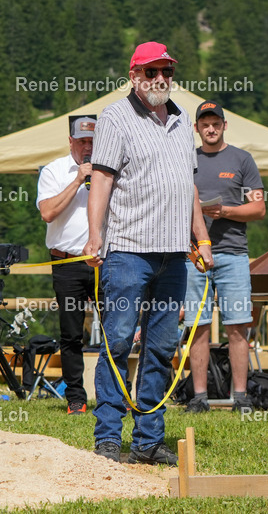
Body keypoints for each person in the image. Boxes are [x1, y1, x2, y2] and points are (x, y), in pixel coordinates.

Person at [83, 41, 213, 466]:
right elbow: (101, 179)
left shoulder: (181, 121)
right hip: (128, 252)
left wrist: (202, 239)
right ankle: (108, 437)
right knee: (118, 342)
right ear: (134, 76)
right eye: (151, 71)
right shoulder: (115, 117)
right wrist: (93, 236)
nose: (161, 79)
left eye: (167, 72)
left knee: (160, 347)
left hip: (174, 255)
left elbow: (188, 187)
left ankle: (148, 441)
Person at [182, 100, 265, 413]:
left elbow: (259, 207)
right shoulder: (187, 159)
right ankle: (199, 397)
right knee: (198, 326)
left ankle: (240, 397)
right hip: (193, 256)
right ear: (197, 128)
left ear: (224, 125)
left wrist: (225, 211)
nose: (211, 129)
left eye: (216, 123)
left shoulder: (242, 159)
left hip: (233, 253)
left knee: (237, 327)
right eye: (205, 124)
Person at [37, 115, 97, 414]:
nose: (87, 146)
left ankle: (116, 395)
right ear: (70, 141)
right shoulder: (54, 170)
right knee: (72, 334)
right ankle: (76, 397)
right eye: (82, 141)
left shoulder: (108, 170)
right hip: (67, 263)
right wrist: (77, 180)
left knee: (116, 331)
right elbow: (47, 213)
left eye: (92, 141)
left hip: (102, 261)